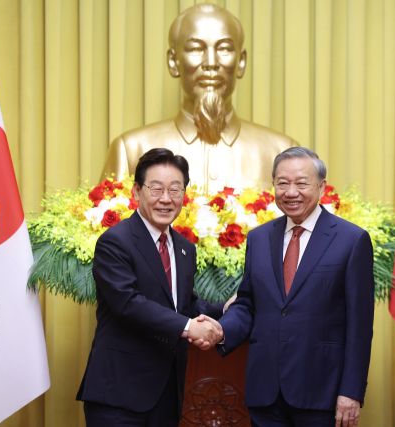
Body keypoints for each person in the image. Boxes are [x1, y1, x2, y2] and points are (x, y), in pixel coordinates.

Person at [216, 147, 375, 427]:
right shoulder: (259, 238)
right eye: (282, 183)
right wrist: (220, 330)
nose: (291, 192)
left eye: (301, 183)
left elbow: (359, 326)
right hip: (265, 392)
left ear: (321, 187)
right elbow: (248, 303)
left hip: (321, 393)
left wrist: (351, 392)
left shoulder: (351, 240)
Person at [77, 148, 224, 426]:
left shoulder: (184, 248)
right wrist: (190, 327)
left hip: (167, 392)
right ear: (137, 192)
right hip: (119, 393)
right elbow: (128, 303)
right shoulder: (116, 241)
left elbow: (184, 304)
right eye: (156, 189)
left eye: (175, 190)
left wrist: (224, 309)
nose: (166, 199)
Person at [101, 3, 296, 193]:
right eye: (195, 49)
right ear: (173, 61)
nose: (211, 63)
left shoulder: (281, 152)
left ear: (241, 61)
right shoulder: (132, 150)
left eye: (224, 49)